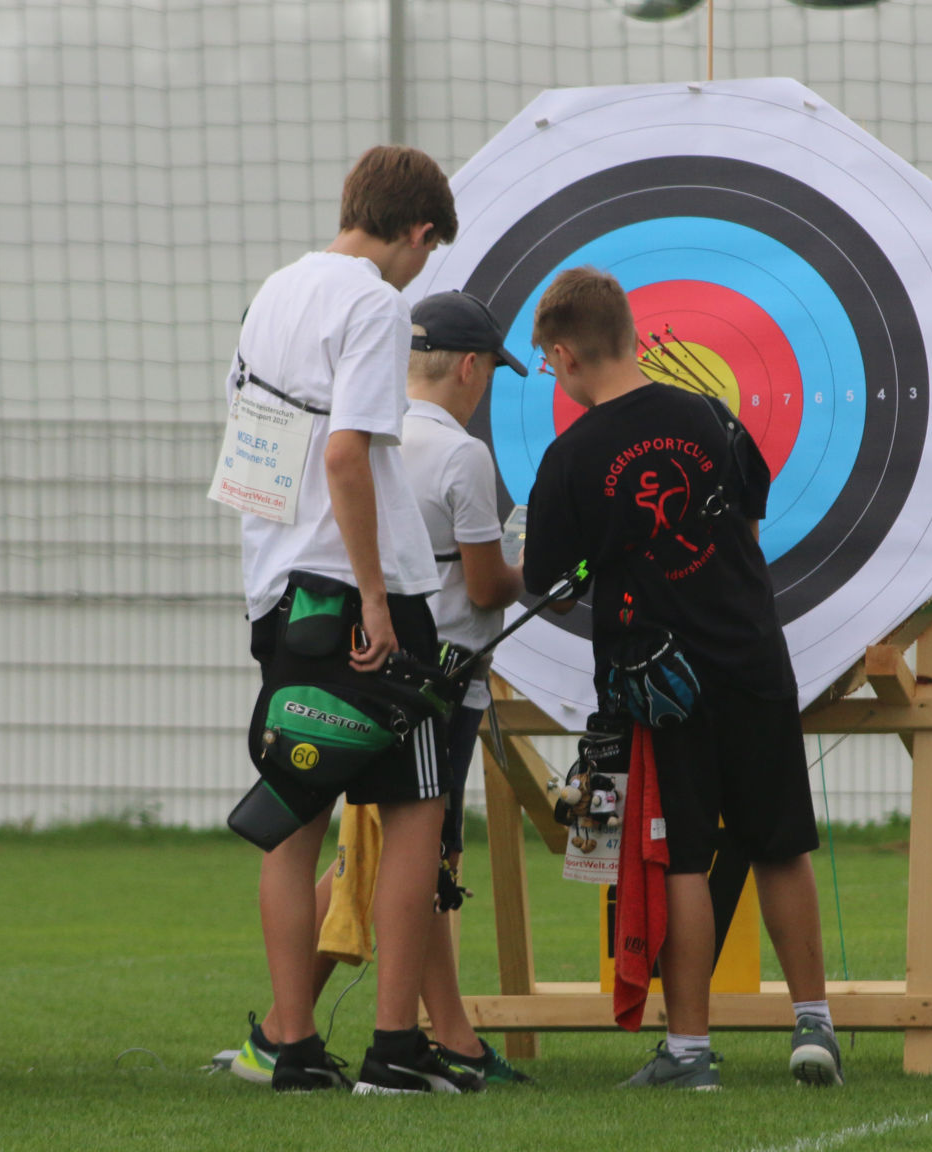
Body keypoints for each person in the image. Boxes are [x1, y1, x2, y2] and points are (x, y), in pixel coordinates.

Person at [521, 266, 844, 1089]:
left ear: (566, 355)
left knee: (684, 857)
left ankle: (690, 1053)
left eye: (551, 364)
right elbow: (749, 521)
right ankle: (815, 1027)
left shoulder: (570, 456)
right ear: (631, 335)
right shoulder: (712, 415)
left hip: (662, 685)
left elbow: (548, 582)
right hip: (753, 657)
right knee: (781, 841)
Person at [224, 144, 484, 1096]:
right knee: (417, 811)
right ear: (416, 232)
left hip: (281, 588)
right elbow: (345, 456)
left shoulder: (276, 290)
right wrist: (376, 597)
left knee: (296, 806)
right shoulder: (375, 304)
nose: (421, 269)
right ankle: (394, 1048)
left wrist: (278, 575)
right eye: (429, 250)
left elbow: (255, 446)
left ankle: (292, 1045)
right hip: (361, 592)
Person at [399, 289, 530, 1081]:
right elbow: (486, 588)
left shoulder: (376, 434)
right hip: (443, 686)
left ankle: (286, 1025)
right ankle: (452, 1042)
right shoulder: (461, 455)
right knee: (417, 861)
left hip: (380, 675)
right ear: (471, 368)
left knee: (383, 855)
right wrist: (531, 566)